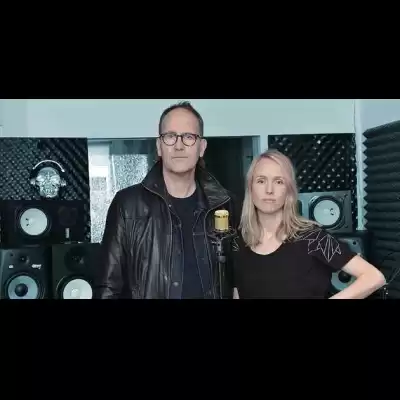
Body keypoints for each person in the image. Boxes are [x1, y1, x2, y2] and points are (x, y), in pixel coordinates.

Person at [94, 101, 239, 299]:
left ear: (202, 147)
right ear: (159, 146)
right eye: (170, 136)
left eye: (188, 137)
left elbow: (241, 280)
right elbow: (107, 289)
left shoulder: (226, 204)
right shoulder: (127, 206)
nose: (179, 145)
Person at [232, 149, 386, 299]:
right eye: (261, 181)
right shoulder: (238, 243)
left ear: (289, 190)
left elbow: (373, 277)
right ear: (250, 188)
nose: (269, 190)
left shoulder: (314, 238)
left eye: (279, 181)